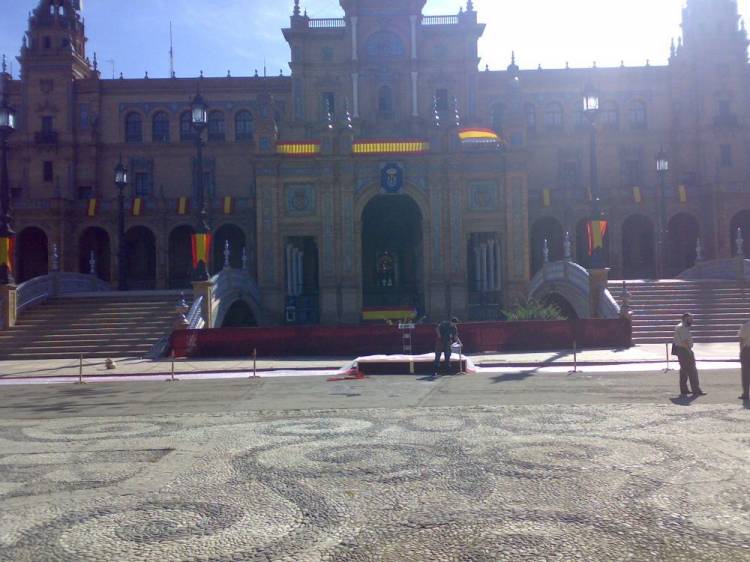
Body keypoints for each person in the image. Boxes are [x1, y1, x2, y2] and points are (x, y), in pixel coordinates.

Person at [673, 313, 706, 397]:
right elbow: (684, 341)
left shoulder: (680, 326)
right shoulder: (683, 327)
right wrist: (689, 350)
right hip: (684, 350)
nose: (692, 320)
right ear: (685, 319)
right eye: (690, 319)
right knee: (692, 370)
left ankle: (684, 389)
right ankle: (696, 390)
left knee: (684, 370)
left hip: (681, 350)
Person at [738, 319, 750, 400]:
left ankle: (746, 393)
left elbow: (741, 340)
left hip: (747, 351)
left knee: (746, 373)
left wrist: (741, 351)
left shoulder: (746, 325)